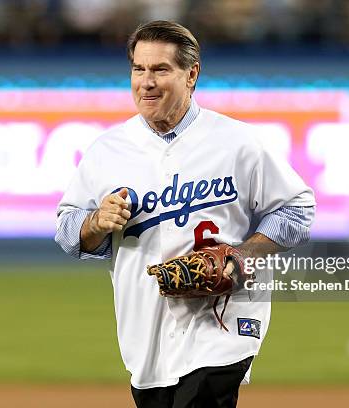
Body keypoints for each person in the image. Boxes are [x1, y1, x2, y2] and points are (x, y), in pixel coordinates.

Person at [55, 20, 315, 407]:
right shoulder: (107, 150)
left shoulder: (236, 142)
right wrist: (94, 224)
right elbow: (66, 230)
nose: (146, 81)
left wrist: (242, 255)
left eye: (160, 69)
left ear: (191, 75)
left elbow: (297, 209)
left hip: (223, 323)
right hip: (145, 332)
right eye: (138, 69)